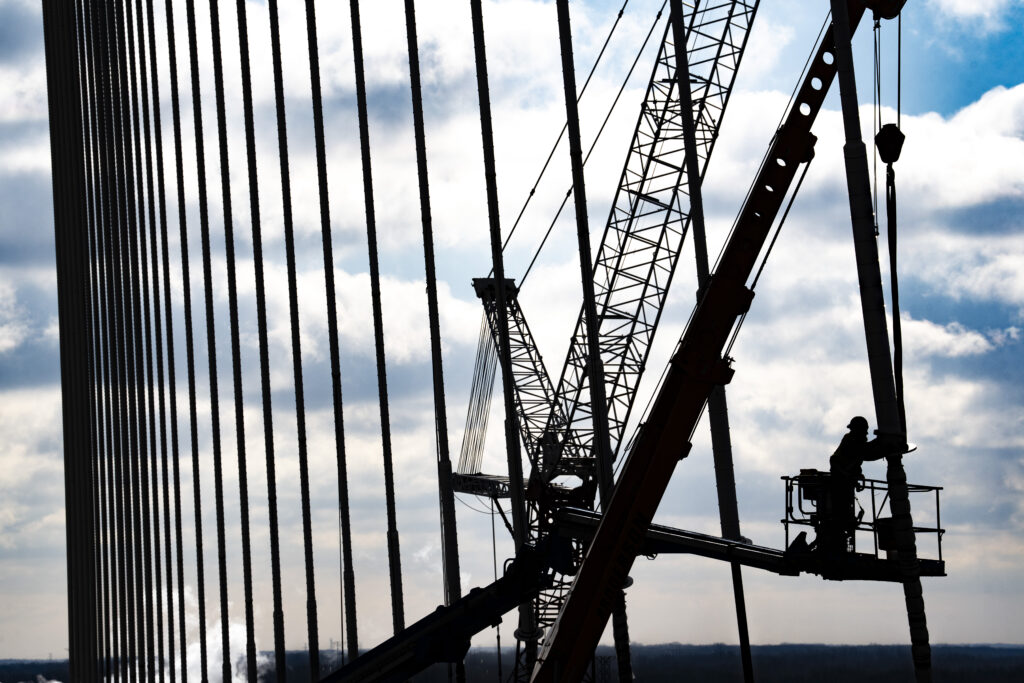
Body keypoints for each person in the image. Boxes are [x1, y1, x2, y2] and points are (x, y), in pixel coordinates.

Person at [824, 416, 888, 553]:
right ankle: (837, 544)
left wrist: (856, 474)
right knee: (840, 515)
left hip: (844, 482)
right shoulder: (851, 440)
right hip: (839, 482)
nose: (865, 434)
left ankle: (838, 543)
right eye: (864, 431)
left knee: (844, 515)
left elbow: (860, 456)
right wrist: (881, 441)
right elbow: (863, 452)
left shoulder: (855, 441)